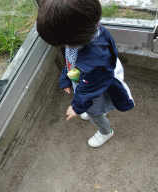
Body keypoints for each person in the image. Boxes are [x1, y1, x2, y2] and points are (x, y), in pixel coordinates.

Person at [36, 0, 135, 147]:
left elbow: (88, 88)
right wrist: (66, 78)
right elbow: (70, 62)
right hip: (92, 81)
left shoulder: (94, 60)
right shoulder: (87, 30)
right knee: (95, 104)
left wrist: (77, 107)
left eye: (63, 43)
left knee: (94, 114)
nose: (64, 46)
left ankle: (105, 131)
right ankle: (97, 109)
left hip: (95, 87)